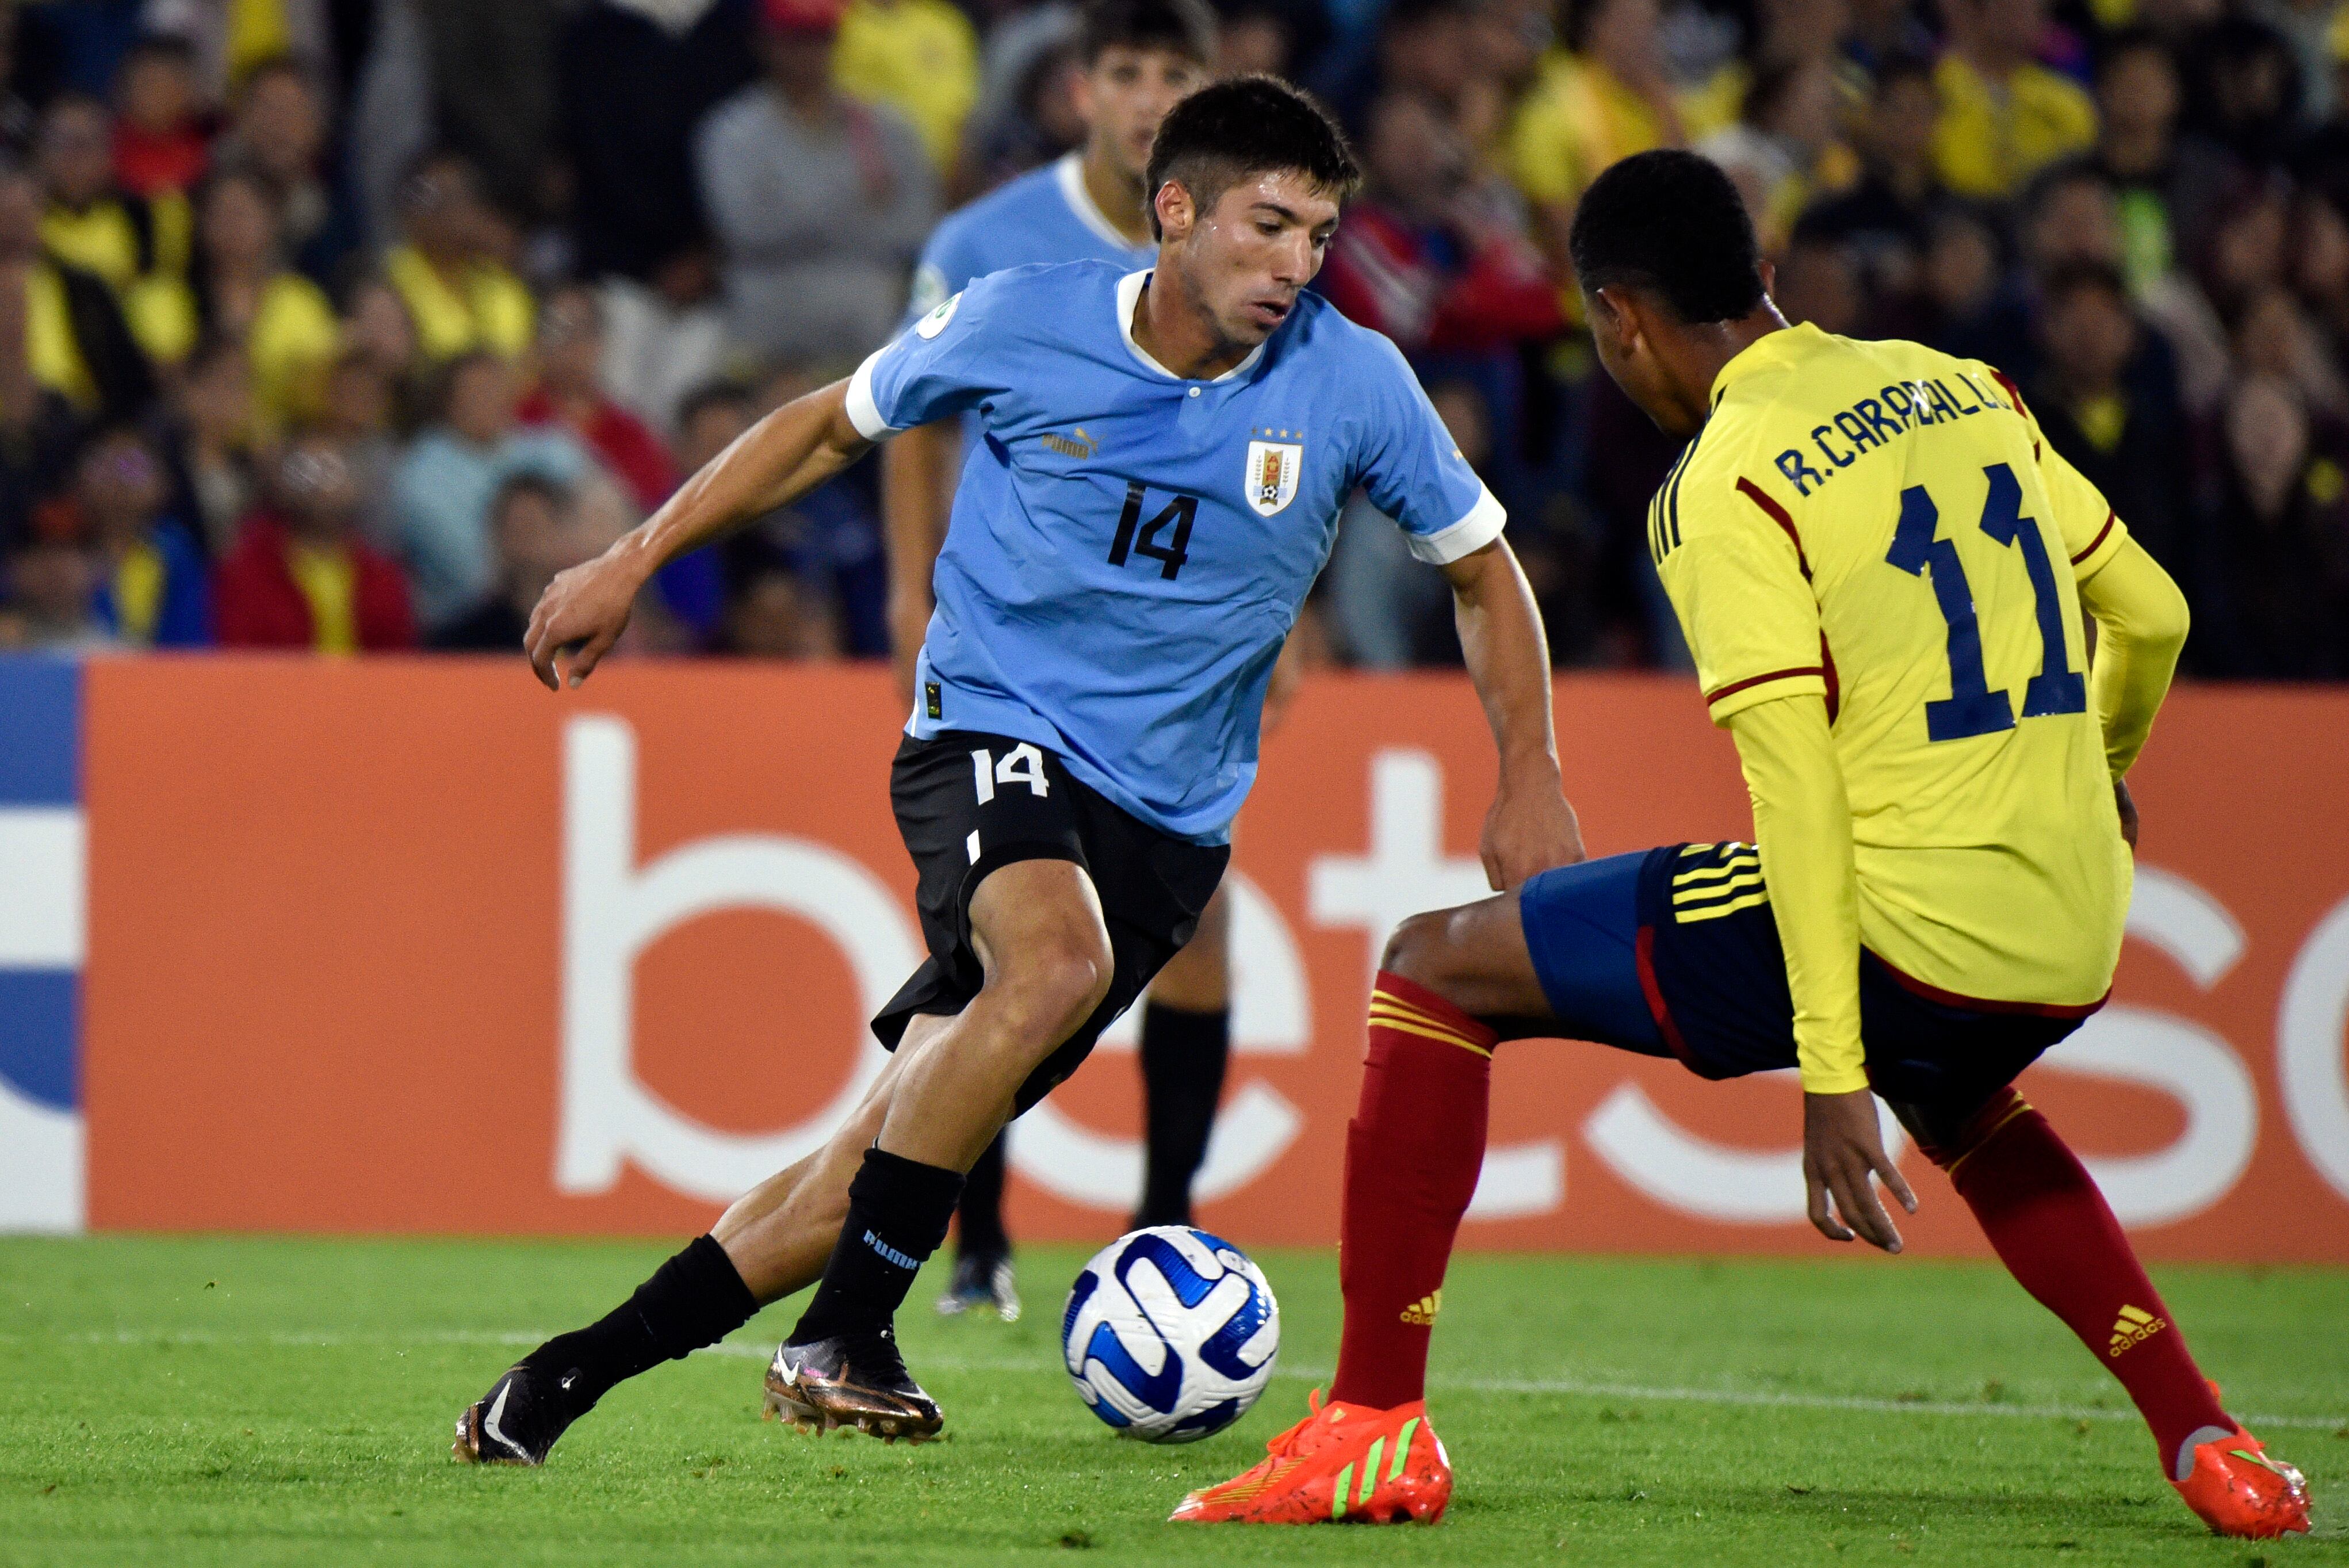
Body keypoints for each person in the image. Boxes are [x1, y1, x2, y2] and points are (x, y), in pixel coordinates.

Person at [1174, 149, 2312, 1541]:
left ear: (1620, 320)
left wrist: (1827, 1078)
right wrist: (2100, 771)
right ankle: (2208, 1439)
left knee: (1432, 968)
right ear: (1763, 281)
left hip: (1906, 920)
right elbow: (2154, 617)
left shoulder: (1727, 484)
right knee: (1965, 1098)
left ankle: (1367, 1429)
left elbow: (1800, 800)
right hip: (2071, 925)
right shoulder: (1961, 385)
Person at [453, 74, 1581, 1465]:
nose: (1295, 263)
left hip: (1165, 828)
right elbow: (823, 424)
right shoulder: (1021, 319)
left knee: (861, 1167)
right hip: (987, 731)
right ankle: (849, 1333)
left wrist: (1526, 766)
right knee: (1054, 962)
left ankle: (555, 1383)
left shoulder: (1352, 383)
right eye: (1266, 225)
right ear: (1174, 212)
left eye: (1317, 234)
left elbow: (1482, 570)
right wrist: (633, 556)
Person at [881, 0, 1221, 1324]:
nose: (1145, 97)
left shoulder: (1243, 242)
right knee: (1006, 939)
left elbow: (1294, 455)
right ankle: (977, 1243)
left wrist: (1286, 621)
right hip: (1019, 653)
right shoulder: (984, 244)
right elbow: (910, 419)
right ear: (1081, 87)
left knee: (1196, 942)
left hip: (1177, 655)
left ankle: (1165, 1223)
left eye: (1172, 75)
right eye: (1125, 72)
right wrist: (917, 592)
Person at [216, 431, 418, 651]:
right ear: (283, 483)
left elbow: (399, 657)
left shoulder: (383, 576)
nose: (320, 485)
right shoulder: (246, 572)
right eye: (305, 470)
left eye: (331, 470)